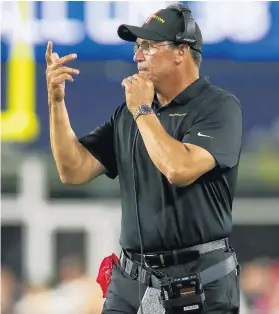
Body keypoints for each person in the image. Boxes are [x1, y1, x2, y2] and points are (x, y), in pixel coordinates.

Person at [45, 3, 242, 314]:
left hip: (199, 280)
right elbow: (74, 170)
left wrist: (143, 112)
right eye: (138, 46)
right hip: (132, 280)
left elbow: (179, 168)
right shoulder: (129, 114)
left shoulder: (217, 107)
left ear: (181, 51)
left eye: (149, 46)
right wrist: (56, 102)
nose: (137, 55)